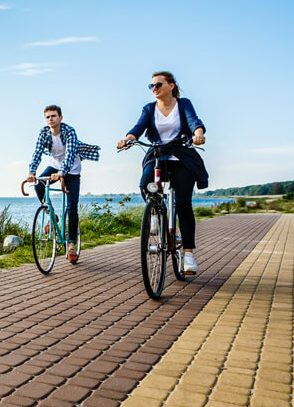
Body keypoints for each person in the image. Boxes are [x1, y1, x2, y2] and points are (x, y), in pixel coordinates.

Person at [117, 71, 208, 274]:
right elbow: (138, 128)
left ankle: (189, 255)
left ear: (171, 86)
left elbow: (194, 121)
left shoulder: (184, 104)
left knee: (184, 204)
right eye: (151, 86)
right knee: (145, 183)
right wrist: (127, 139)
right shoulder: (149, 109)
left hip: (182, 156)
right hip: (158, 155)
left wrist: (198, 133)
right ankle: (156, 215)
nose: (154, 89)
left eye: (158, 85)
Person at [27, 105, 100, 263]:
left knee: (71, 207)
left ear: (60, 118)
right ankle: (51, 215)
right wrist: (31, 172)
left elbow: (70, 154)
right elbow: (37, 152)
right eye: (47, 117)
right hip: (54, 166)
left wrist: (62, 172)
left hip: (72, 170)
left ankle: (72, 246)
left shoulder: (69, 131)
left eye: (53, 116)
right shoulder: (44, 132)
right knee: (39, 184)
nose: (50, 119)